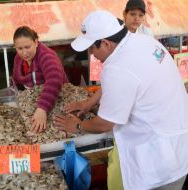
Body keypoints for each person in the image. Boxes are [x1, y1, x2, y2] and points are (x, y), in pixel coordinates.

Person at [54, 10, 188, 190]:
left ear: (106, 43)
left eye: (92, 48)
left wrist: (77, 126)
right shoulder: (143, 41)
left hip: (157, 163)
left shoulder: (116, 68)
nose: (91, 53)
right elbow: (128, 80)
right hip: (177, 143)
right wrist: (89, 103)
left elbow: (105, 124)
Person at [13, 26, 68, 133]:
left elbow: (54, 80)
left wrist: (42, 108)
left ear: (36, 42)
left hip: (56, 99)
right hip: (33, 101)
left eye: (27, 47)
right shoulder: (18, 58)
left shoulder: (46, 56)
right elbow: (16, 79)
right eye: (20, 48)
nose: (24, 52)